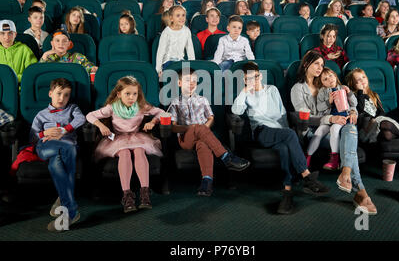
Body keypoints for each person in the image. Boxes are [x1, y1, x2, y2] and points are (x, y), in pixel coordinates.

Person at [232, 61, 329, 214]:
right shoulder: (246, 94)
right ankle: (306, 176)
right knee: (290, 134)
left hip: (279, 132)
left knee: (284, 148)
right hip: (261, 131)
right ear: (245, 80)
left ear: (261, 75)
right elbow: (236, 110)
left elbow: (282, 113)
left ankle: (287, 192)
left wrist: (286, 132)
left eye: (256, 77)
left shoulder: (272, 90)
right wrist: (244, 91)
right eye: (249, 79)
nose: (254, 80)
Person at [291, 50, 377, 215]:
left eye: (322, 65)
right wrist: (330, 119)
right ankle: (360, 191)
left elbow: (346, 104)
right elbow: (304, 118)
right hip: (313, 131)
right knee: (349, 136)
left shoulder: (326, 84)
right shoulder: (298, 88)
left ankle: (347, 176)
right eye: (316, 63)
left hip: (336, 125)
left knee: (350, 127)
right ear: (306, 64)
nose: (319, 67)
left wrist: (353, 112)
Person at [86, 76, 164, 212]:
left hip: (136, 138)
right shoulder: (112, 108)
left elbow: (161, 112)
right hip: (118, 139)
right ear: (119, 94)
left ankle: (145, 192)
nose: (131, 97)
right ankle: (127, 195)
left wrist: (152, 122)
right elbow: (90, 116)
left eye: (134, 94)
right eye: (127, 94)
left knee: (139, 150)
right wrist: (100, 126)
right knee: (125, 153)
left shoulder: (141, 106)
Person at [169, 68, 250, 196]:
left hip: (202, 136)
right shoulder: (175, 102)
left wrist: (203, 128)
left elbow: (211, 118)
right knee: (198, 127)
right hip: (186, 139)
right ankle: (226, 157)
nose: (191, 83)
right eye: (187, 80)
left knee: (203, 144)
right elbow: (173, 127)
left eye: (194, 81)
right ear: (179, 83)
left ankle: (207, 182)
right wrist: (192, 128)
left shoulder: (202, 100)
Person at [31, 78, 86, 232]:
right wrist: (44, 132)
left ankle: (66, 205)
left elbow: (81, 119)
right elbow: (33, 136)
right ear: (50, 93)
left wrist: (65, 130)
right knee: (59, 153)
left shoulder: (73, 109)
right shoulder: (41, 115)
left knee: (56, 162)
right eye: (59, 94)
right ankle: (70, 208)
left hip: (66, 147)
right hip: (46, 146)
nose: (62, 98)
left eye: (66, 95)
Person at [306, 67, 357, 170]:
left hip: (343, 117)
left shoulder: (343, 88)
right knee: (319, 132)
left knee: (334, 129)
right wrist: (328, 101)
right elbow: (319, 108)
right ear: (322, 83)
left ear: (335, 75)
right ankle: (307, 157)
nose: (329, 79)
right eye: (325, 79)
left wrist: (349, 93)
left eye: (330, 75)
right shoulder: (322, 92)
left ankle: (334, 159)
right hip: (329, 118)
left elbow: (354, 104)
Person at [346, 68, 399, 143]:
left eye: (363, 77)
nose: (362, 80)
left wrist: (381, 118)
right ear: (352, 84)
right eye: (358, 79)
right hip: (367, 126)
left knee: (387, 134)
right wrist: (360, 92)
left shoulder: (374, 95)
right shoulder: (353, 96)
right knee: (383, 124)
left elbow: (381, 112)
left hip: (380, 124)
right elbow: (360, 109)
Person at [156, 5, 195, 76]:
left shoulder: (186, 30)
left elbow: (190, 49)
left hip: (181, 60)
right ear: (171, 18)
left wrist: (192, 66)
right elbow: (160, 51)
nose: (181, 18)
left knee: (186, 76)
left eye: (183, 15)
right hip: (168, 61)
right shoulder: (166, 32)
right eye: (178, 15)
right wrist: (159, 69)